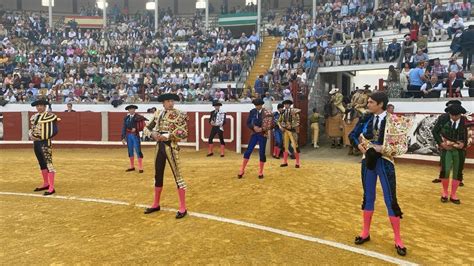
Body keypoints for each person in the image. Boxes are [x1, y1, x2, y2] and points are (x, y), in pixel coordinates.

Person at [349, 92, 408, 257]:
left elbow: (402, 147)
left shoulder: (394, 120)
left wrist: (383, 149)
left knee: (390, 199)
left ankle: (398, 239)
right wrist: (360, 147)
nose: (368, 104)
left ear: (380, 104)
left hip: (385, 162)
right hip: (368, 161)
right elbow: (352, 135)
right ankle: (365, 232)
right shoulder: (366, 118)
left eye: (371, 102)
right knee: (368, 197)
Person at [144, 93, 189, 219]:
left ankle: (183, 207)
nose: (171, 103)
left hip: (171, 146)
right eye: (168, 101)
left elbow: (183, 133)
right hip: (159, 147)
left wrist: (168, 136)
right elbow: (147, 127)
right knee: (158, 175)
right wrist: (152, 134)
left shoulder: (180, 114)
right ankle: (156, 204)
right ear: (163, 103)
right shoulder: (158, 113)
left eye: (172, 101)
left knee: (177, 176)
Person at [432, 104, 468, 204]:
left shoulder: (465, 120)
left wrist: (464, 144)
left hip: (459, 150)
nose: (455, 117)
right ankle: (444, 192)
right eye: (452, 115)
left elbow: (468, 134)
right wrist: (441, 143)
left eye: (457, 116)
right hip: (446, 149)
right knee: (446, 170)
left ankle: (453, 194)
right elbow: (435, 131)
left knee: (457, 171)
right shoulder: (443, 118)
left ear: (460, 114)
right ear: (449, 114)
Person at [29, 99, 60, 196]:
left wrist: (43, 137)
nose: (39, 107)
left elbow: (54, 130)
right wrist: (31, 135)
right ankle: (46, 183)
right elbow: (32, 129)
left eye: (41, 106)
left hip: (45, 142)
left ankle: (51, 187)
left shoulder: (50, 116)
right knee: (41, 163)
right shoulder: (34, 117)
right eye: (37, 106)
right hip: (36, 143)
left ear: (45, 107)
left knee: (49, 164)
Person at [238, 99, 273, 179]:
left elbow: (271, 124)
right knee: (249, 150)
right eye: (256, 105)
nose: (257, 107)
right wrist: (253, 127)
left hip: (262, 134)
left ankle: (260, 172)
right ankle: (242, 170)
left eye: (258, 105)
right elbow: (248, 122)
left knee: (261, 152)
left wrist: (262, 129)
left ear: (261, 105)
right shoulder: (252, 111)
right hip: (254, 134)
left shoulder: (266, 112)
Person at [121, 105, 147, 173]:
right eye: (130, 109)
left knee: (138, 150)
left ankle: (140, 167)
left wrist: (136, 129)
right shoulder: (126, 118)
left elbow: (143, 126)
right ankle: (132, 166)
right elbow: (124, 128)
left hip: (135, 135)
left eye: (133, 109)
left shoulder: (138, 117)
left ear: (135, 110)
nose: (131, 110)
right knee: (130, 150)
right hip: (128, 135)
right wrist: (123, 137)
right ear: (128, 111)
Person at [279, 99, 301, 168]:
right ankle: (285, 162)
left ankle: (297, 163)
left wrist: (292, 125)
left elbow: (297, 121)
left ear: (290, 105)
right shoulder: (282, 112)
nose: (286, 106)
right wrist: (280, 127)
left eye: (287, 104)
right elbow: (279, 121)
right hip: (285, 131)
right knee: (285, 146)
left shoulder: (294, 111)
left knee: (295, 146)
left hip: (292, 131)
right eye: (285, 104)